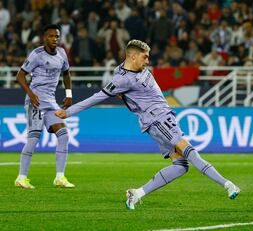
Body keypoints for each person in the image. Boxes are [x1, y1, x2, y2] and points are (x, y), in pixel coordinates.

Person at [55, 40, 240, 209]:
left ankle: (136, 194)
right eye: (145, 57)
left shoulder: (130, 71)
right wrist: (68, 112)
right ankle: (228, 185)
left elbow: (125, 94)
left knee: (181, 166)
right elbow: (98, 97)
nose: (147, 61)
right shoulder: (122, 78)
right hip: (157, 119)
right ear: (132, 56)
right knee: (190, 151)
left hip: (163, 118)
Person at [14, 24, 75, 189]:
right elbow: (20, 75)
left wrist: (69, 95)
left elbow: (66, 73)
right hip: (36, 101)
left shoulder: (62, 53)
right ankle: (21, 177)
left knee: (63, 135)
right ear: (44, 38)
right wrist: (31, 94)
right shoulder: (37, 54)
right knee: (33, 138)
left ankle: (60, 177)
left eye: (56, 36)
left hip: (51, 102)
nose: (54, 39)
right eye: (51, 36)